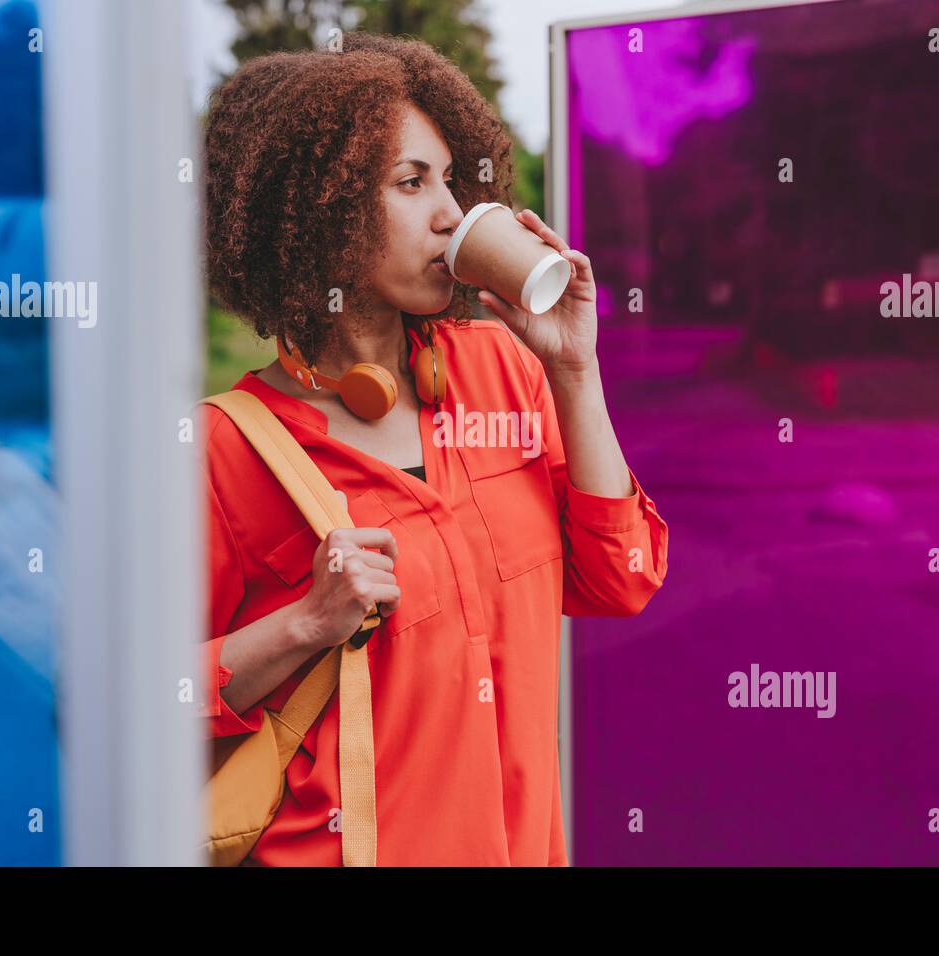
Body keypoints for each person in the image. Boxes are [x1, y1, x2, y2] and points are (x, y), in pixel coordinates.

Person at [200, 32, 668, 866]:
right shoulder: (224, 448)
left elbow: (622, 579)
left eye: (450, 179)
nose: (452, 214)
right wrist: (305, 624)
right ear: (321, 210)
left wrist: (574, 367)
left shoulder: (501, 372)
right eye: (411, 183)